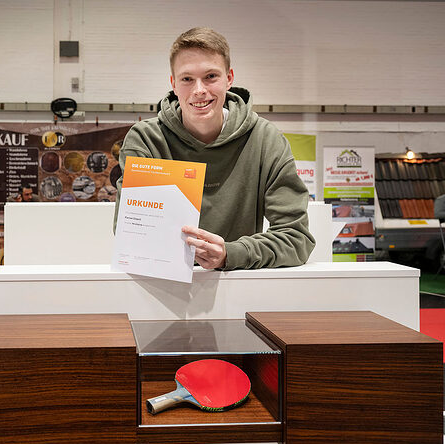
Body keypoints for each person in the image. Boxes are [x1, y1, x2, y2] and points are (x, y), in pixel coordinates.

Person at [113, 27, 314, 270]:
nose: (199, 90)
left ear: (229, 78)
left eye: (210, 76)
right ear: (173, 84)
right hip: (161, 289)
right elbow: (132, 234)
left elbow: (296, 239)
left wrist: (231, 254)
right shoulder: (145, 140)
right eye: (187, 79)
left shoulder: (265, 139)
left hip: (237, 288)